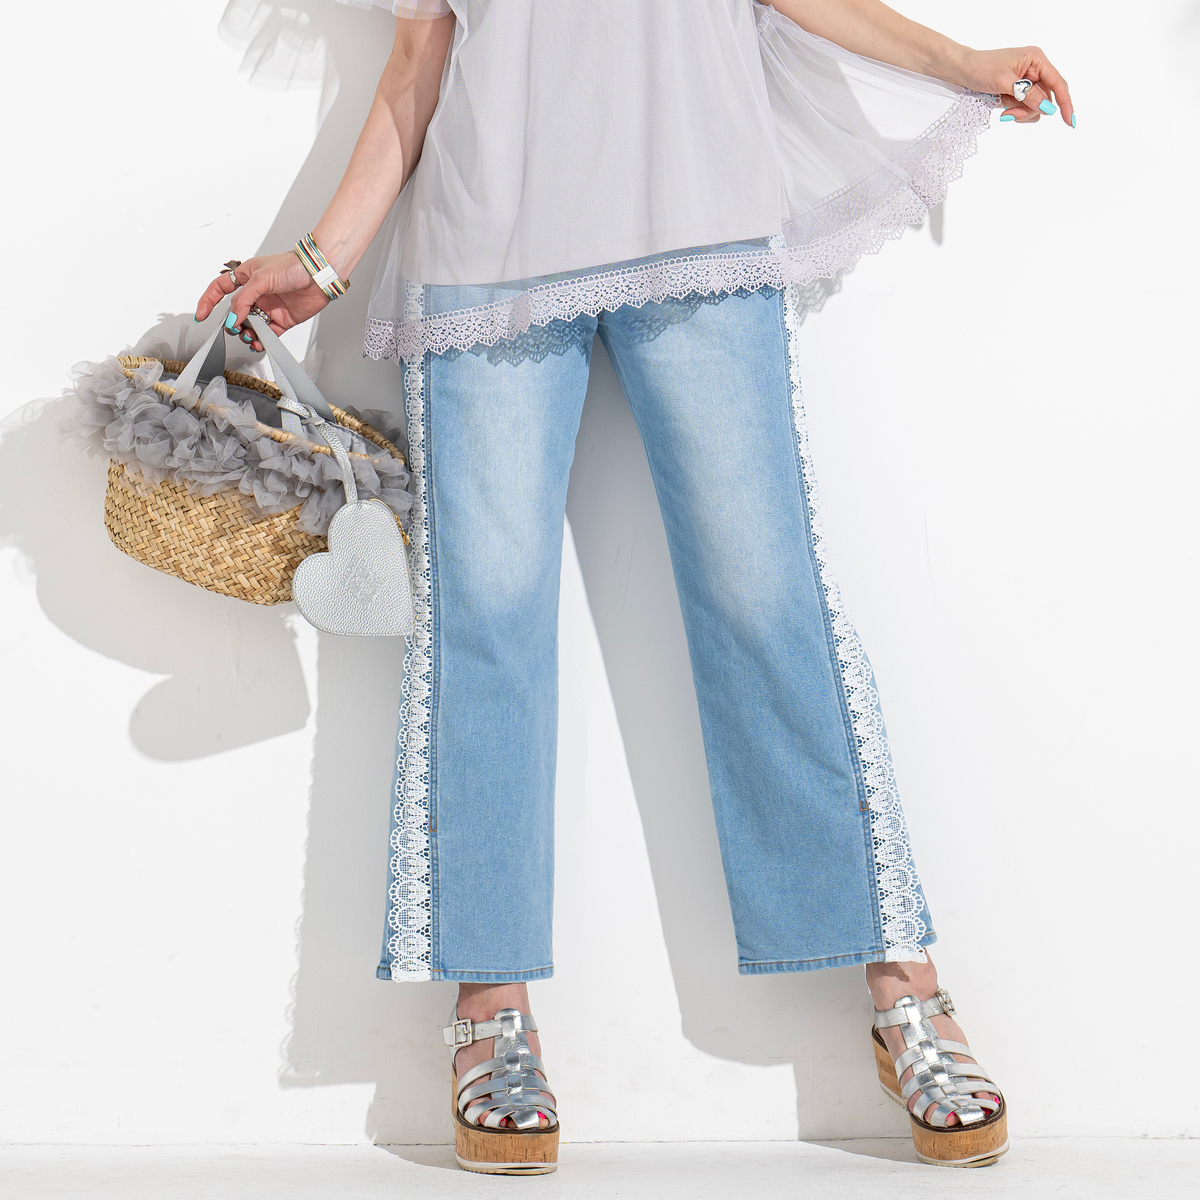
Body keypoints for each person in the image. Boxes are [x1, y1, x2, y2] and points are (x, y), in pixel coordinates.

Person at [195, 0, 1073, 1175]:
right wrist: (321, 261)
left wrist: (959, 61)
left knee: (766, 603)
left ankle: (903, 982)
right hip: (488, 247)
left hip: (697, 220)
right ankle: (491, 1009)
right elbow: (419, 53)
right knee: (487, 622)